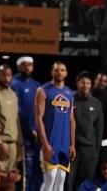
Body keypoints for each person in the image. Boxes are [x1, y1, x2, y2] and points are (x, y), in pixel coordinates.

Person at [35, 62, 75, 191]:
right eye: (56, 70)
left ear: (66, 73)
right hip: (50, 143)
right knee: (50, 178)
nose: (59, 72)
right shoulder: (43, 90)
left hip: (64, 144)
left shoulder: (70, 92)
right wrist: (45, 144)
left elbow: (71, 119)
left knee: (61, 179)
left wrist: (72, 144)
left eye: (62, 70)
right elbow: (39, 118)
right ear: (52, 72)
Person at [67, 72, 103, 191]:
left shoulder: (97, 104)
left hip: (89, 150)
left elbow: (99, 130)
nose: (85, 85)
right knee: (68, 181)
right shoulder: (69, 100)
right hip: (73, 148)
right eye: (82, 82)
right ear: (77, 84)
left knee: (86, 183)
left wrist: (96, 152)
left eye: (88, 83)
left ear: (91, 85)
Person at [11, 56, 41, 191]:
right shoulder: (14, 83)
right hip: (22, 134)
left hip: (37, 134)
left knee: (37, 168)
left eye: (30, 65)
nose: (28, 67)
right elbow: (19, 110)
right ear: (19, 66)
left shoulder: (36, 85)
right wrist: (30, 129)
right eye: (25, 65)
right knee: (25, 169)